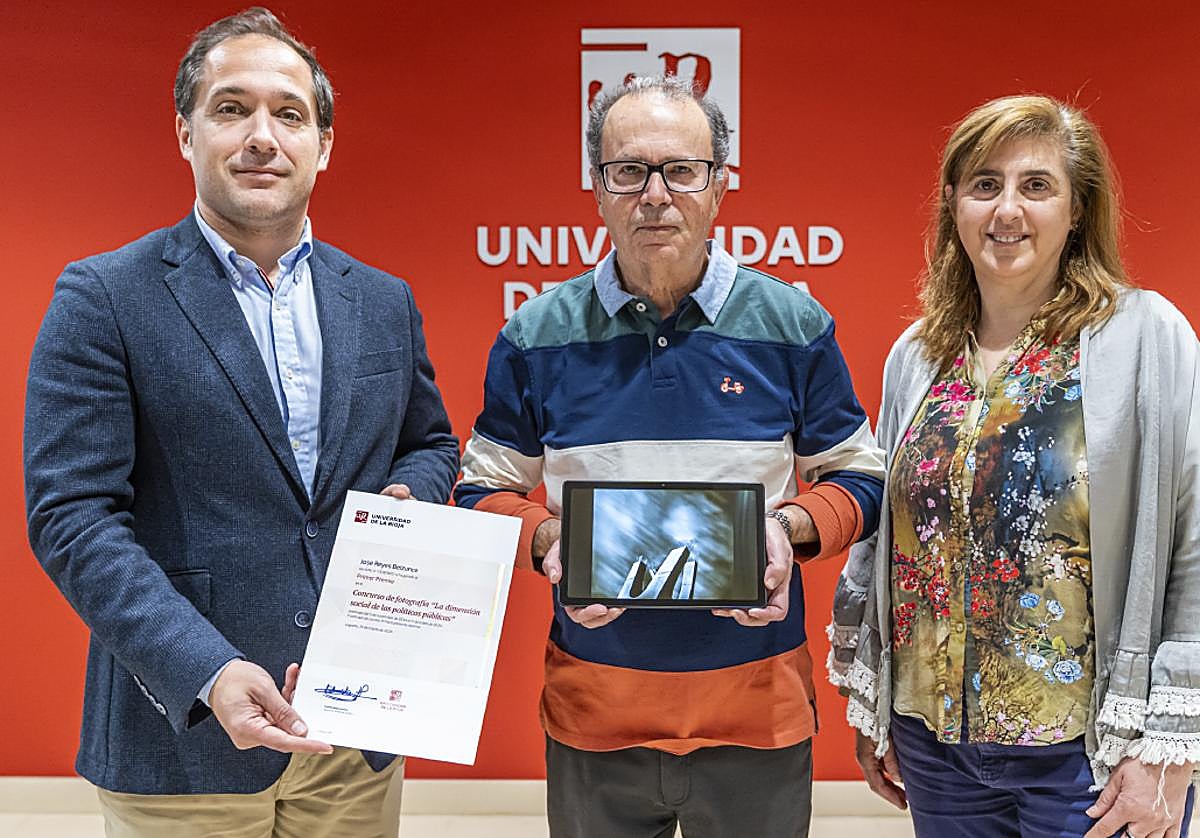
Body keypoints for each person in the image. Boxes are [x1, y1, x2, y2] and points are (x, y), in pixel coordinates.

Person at [23, 8, 459, 837]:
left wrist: (410, 492)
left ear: (322, 145)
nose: (263, 135)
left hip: (354, 739)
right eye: (232, 108)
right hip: (183, 745)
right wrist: (207, 670)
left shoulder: (381, 299)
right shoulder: (104, 297)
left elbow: (429, 441)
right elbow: (73, 519)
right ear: (186, 134)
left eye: (289, 113)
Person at [454, 75, 885, 837]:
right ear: (598, 187)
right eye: (630, 171)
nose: (655, 194)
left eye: (681, 170)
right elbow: (477, 493)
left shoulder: (793, 325)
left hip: (760, 714)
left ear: (719, 185)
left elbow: (860, 478)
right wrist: (554, 540)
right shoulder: (534, 336)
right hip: (594, 717)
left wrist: (786, 531)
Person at [828, 94, 1200, 838]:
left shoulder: (1143, 336)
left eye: (1037, 186)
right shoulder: (919, 355)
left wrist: (1171, 751)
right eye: (984, 184)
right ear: (952, 204)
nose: (1007, 210)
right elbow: (889, 537)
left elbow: (1192, 542)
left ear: (1078, 208)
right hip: (936, 750)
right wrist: (876, 706)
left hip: (1086, 757)